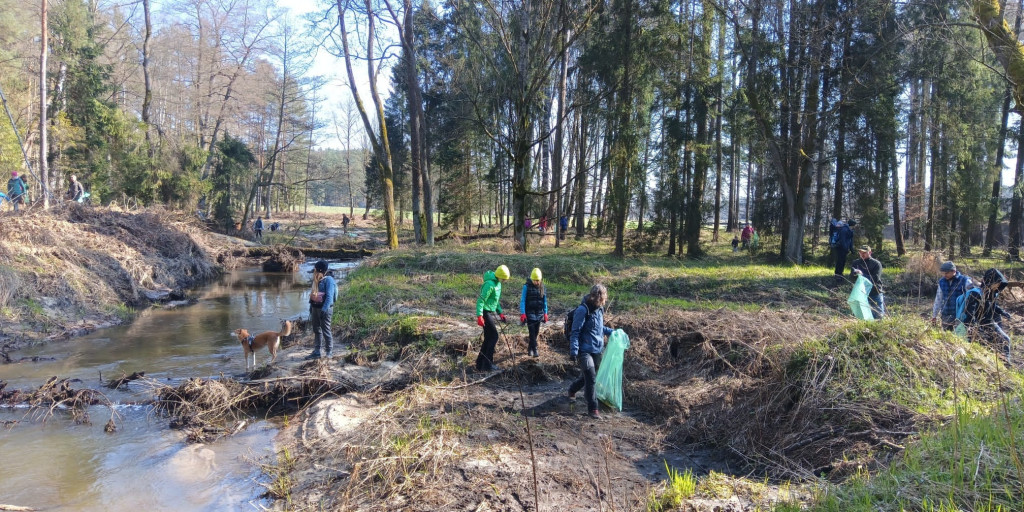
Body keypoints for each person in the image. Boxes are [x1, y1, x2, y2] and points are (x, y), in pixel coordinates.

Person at [567, 284, 615, 420]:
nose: (605, 300)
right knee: (591, 377)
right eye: (604, 297)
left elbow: (600, 329)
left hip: (597, 349)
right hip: (584, 351)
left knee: (589, 376)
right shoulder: (583, 310)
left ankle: (572, 389)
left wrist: (614, 333)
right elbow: (575, 332)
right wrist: (574, 351)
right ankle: (593, 408)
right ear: (599, 297)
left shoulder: (600, 309)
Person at [963, 268, 1016, 358]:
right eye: (997, 283)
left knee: (1004, 341)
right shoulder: (976, 294)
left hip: (988, 322)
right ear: (990, 281)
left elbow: (992, 306)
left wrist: (1002, 312)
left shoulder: (991, 294)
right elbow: (969, 312)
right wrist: (974, 327)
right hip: (976, 326)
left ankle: (1006, 364)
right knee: (989, 346)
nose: (998, 286)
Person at [475, 264, 510, 371]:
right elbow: (481, 300)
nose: (504, 281)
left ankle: (480, 363)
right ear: (499, 276)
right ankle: (488, 364)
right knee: (494, 336)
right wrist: (479, 316)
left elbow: (495, 301)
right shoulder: (489, 284)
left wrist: (500, 313)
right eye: (503, 279)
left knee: (488, 338)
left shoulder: (498, 284)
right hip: (485, 312)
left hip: (490, 311)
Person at [306, 260, 338, 359]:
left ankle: (329, 352)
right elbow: (313, 295)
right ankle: (317, 351)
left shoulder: (329, 280)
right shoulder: (316, 280)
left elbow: (329, 297)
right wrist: (311, 308)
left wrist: (324, 310)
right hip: (315, 308)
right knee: (316, 330)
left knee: (326, 330)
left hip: (325, 310)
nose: (314, 272)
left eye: (315, 270)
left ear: (319, 270)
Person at [932, 261, 972, 331]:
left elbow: (972, 297)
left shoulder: (965, 281)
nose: (944, 275)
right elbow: (938, 299)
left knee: (959, 337)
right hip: (946, 314)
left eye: (946, 273)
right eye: (943, 273)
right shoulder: (941, 282)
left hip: (961, 316)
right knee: (947, 337)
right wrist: (934, 315)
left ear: (954, 271)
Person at [520, 267, 548, 357]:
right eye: (535, 280)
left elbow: (545, 301)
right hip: (530, 313)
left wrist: (545, 313)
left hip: (539, 313)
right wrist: (523, 313)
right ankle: (535, 349)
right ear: (532, 279)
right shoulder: (526, 287)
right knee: (531, 332)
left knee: (536, 332)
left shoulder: (542, 287)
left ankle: (530, 348)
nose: (537, 282)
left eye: (538, 280)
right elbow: (523, 300)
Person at [850, 245, 885, 318]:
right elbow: (851, 278)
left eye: (864, 253)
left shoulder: (876, 264)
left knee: (879, 316)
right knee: (862, 317)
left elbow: (875, 279)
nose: (862, 254)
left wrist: (862, 274)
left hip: (875, 292)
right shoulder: (856, 263)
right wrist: (854, 274)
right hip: (861, 292)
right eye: (860, 252)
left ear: (870, 252)